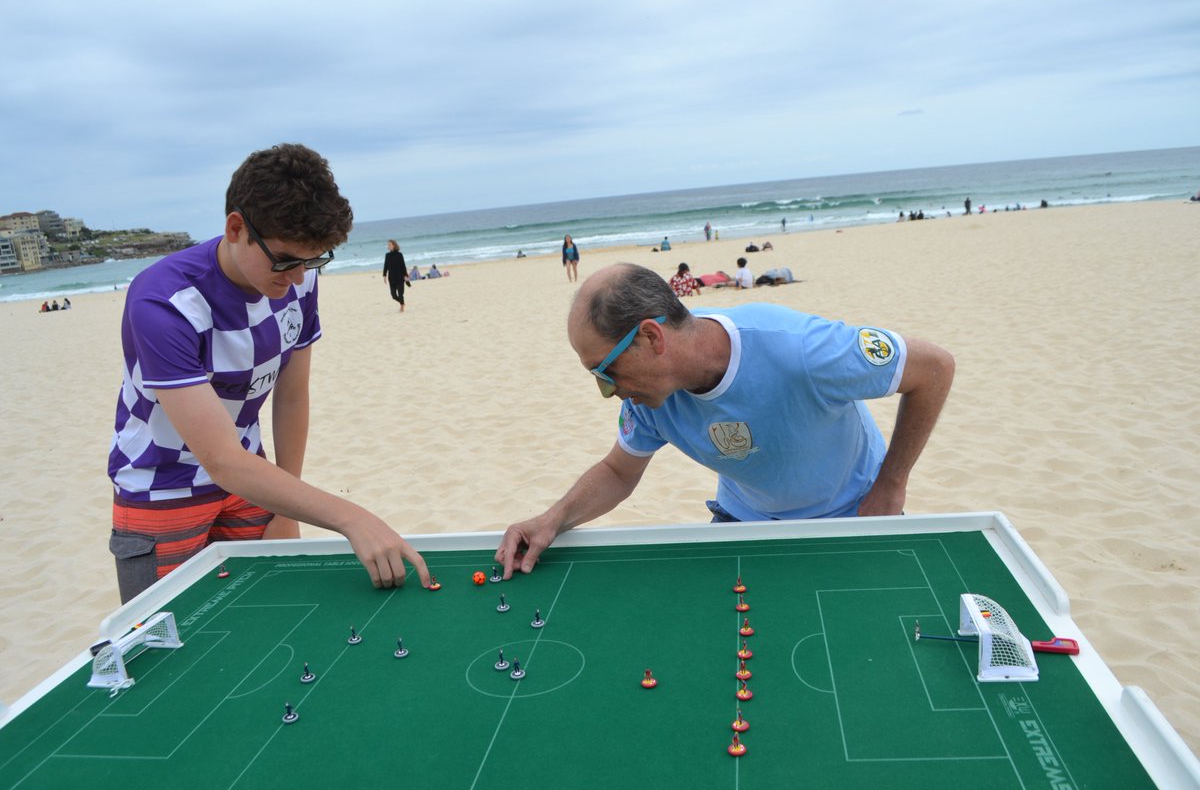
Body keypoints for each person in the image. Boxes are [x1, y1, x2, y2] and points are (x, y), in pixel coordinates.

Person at [107, 143, 430, 603]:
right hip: (161, 489)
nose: (297, 278)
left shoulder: (299, 279)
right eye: (284, 260)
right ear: (236, 228)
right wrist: (351, 518)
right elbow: (219, 460)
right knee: (171, 650)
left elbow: (292, 396)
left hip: (254, 482)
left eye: (312, 260)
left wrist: (287, 507)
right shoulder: (164, 303)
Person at [494, 263, 954, 578]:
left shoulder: (799, 349)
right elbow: (618, 471)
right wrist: (552, 520)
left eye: (604, 371)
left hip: (851, 514)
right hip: (742, 521)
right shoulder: (649, 398)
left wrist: (892, 483)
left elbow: (934, 369)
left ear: (651, 337)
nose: (607, 390)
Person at [382, 239, 409, 312]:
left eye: (390, 245)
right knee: (393, 296)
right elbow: (386, 266)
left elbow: (403, 265)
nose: (388, 246)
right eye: (388, 245)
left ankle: (402, 306)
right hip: (392, 278)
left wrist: (406, 275)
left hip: (400, 277)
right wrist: (384, 276)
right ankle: (402, 303)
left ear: (394, 245)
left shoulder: (399, 255)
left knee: (400, 294)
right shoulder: (387, 255)